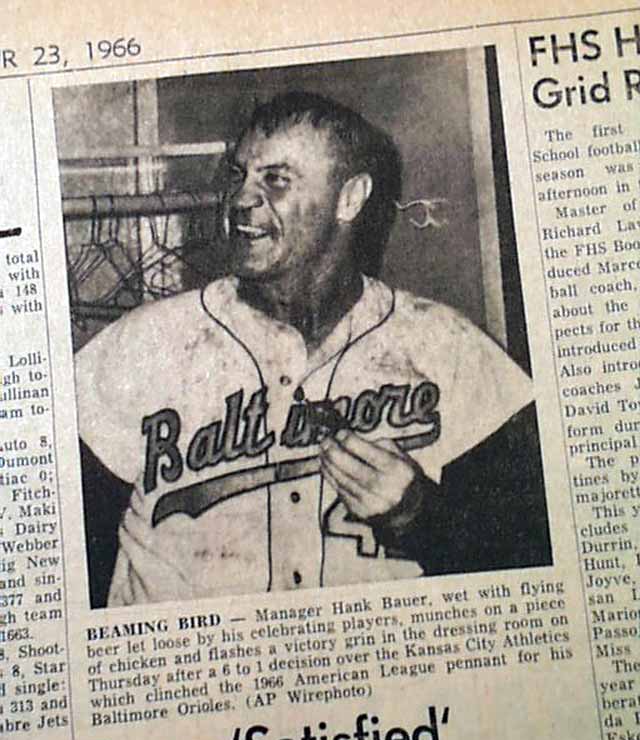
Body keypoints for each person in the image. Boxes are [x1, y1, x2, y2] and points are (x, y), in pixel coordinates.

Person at [75, 91, 550, 608]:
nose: (241, 200)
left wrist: (419, 515)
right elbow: (73, 548)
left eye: (275, 180)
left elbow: (529, 553)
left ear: (349, 199)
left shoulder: (447, 348)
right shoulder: (145, 343)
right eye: (239, 175)